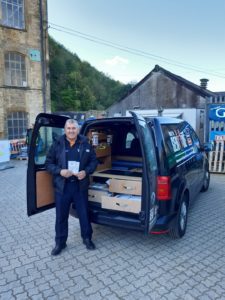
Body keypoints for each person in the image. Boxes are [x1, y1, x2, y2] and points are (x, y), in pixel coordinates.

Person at [45, 119, 98, 256]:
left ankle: (87, 238)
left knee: (84, 214)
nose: (71, 131)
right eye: (68, 128)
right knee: (61, 217)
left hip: (80, 186)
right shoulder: (57, 144)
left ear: (78, 129)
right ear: (65, 129)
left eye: (74, 128)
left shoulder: (85, 142)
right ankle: (60, 243)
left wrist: (86, 172)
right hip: (62, 187)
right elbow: (48, 164)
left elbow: (94, 161)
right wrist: (60, 171)